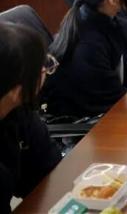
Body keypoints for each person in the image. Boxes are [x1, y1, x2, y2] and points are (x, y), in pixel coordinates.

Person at [0, 22, 62, 213]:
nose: (46, 70)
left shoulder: (20, 112)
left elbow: (48, 171)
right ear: (16, 91)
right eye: (41, 68)